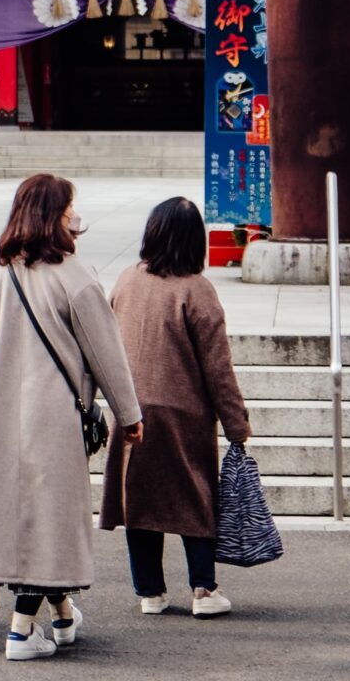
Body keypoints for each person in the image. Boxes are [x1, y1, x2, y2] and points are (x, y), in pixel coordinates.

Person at [0, 173, 143, 663]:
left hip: (1, 419)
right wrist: (129, 413)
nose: (74, 216)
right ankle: (20, 632)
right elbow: (107, 354)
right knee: (48, 520)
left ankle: (62, 616)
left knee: (26, 519)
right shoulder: (74, 276)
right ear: (55, 215)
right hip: (54, 418)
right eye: (68, 208)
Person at [99, 194, 250, 619]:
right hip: (184, 413)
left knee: (139, 501)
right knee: (195, 498)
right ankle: (203, 590)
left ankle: (150, 592)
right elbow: (218, 368)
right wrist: (236, 424)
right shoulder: (196, 289)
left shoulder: (127, 280)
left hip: (131, 409)